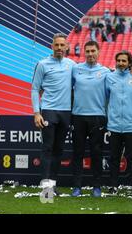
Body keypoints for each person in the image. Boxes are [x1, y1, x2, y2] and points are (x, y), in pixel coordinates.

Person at [31, 33, 76, 193]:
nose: (59, 48)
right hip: (49, 111)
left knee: (59, 149)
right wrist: (37, 113)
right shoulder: (42, 64)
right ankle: (46, 188)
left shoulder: (72, 64)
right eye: (56, 45)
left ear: (66, 46)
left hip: (66, 113)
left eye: (62, 45)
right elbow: (35, 89)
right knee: (47, 148)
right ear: (52, 46)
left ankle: (53, 185)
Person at [70, 41, 110, 197]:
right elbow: (68, 87)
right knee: (78, 153)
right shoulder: (75, 69)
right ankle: (77, 187)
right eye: (87, 51)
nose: (90, 54)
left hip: (97, 117)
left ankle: (97, 187)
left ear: (98, 52)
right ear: (84, 52)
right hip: (78, 117)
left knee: (96, 153)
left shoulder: (106, 71)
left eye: (93, 50)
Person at [106, 51, 132, 196]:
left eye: (124, 61)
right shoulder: (109, 77)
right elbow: (106, 97)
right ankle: (113, 186)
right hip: (114, 125)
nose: (121, 63)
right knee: (114, 158)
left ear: (129, 63)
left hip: (131, 125)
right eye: (119, 60)